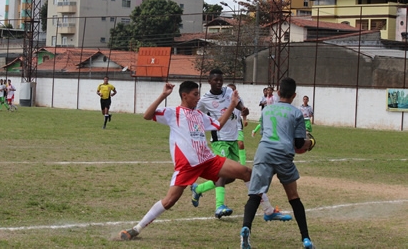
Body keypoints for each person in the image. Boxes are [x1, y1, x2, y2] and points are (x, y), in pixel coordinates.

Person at [119, 81, 252, 241]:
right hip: (187, 166)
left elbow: (218, 124)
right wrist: (163, 95)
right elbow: (147, 115)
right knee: (169, 201)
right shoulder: (173, 113)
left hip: (208, 160)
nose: (198, 98)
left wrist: (232, 104)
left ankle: (268, 210)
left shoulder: (199, 115)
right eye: (195, 94)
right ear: (185, 95)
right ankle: (136, 229)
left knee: (245, 172)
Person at [191, 70, 291, 222]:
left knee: (230, 177)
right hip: (219, 140)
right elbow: (194, 116)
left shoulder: (229, 91)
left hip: (233, 138)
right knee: (222, 174)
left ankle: (198, 189)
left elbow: (238, 104)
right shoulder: (204, 100)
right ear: (209, 81)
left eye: (221, 80)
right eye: (216, 80)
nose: (219, 82)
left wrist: (243, 109)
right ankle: (220, 206)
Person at [240, 77, 315, 249]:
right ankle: (306, 239)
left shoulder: (267, 111)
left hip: (264, 152)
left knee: (255, 194)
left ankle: (246, 228)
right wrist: (310, 143)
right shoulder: (297, 113)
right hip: (283, 155)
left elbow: (265, 133)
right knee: (294, 197)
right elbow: (298, 144)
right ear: (294, 95)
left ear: (278, 93)